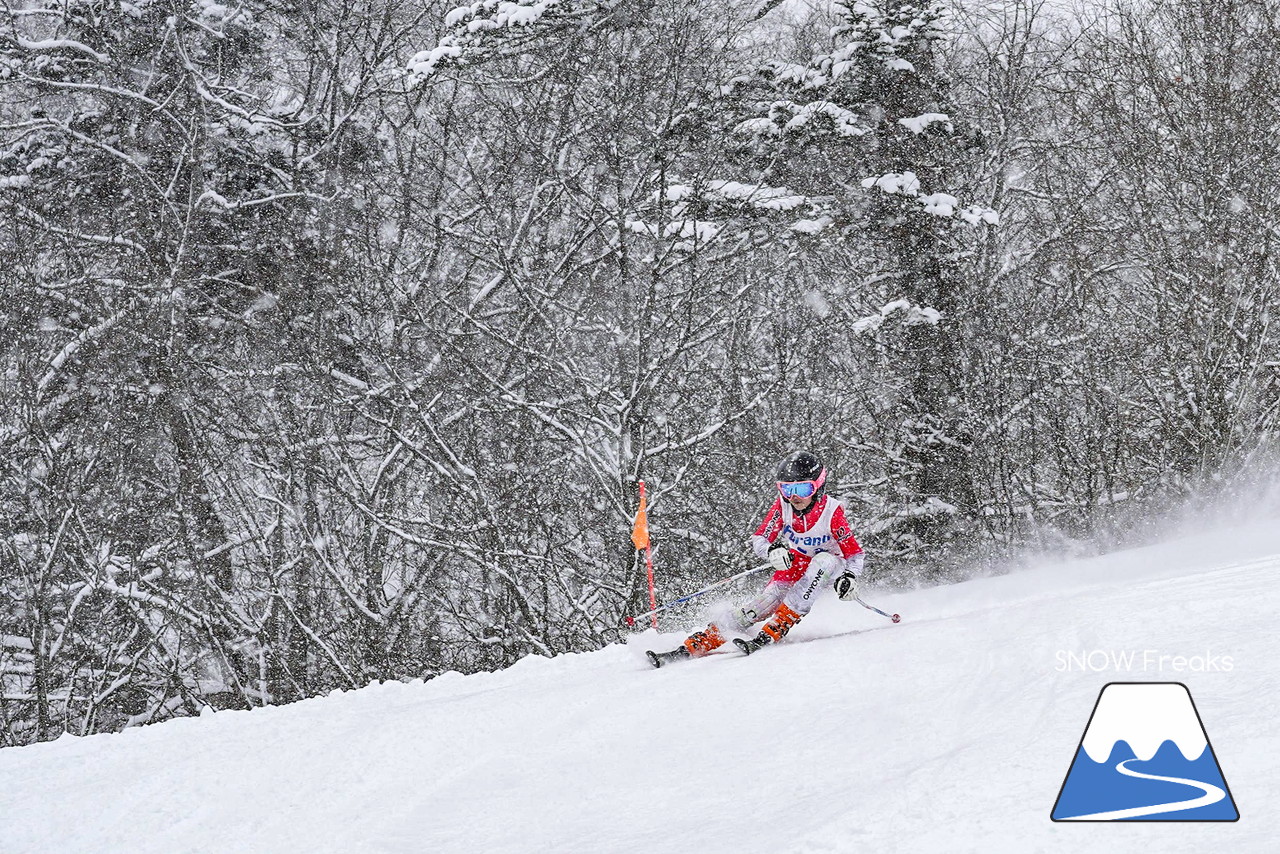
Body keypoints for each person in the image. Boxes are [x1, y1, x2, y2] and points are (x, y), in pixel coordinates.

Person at [646, 451, 864, 667]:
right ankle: (703, 640)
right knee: (765, 602)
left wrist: (850, 576)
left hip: (830, 565)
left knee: (822, 561)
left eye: (803, 488)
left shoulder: (832, 511)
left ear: (818, 486)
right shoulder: (783, 506)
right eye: (787, 489)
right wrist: (772, 551)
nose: (794, 496)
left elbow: (854, 553)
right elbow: (760, 538)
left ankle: (778, 625)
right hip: (797, 561)